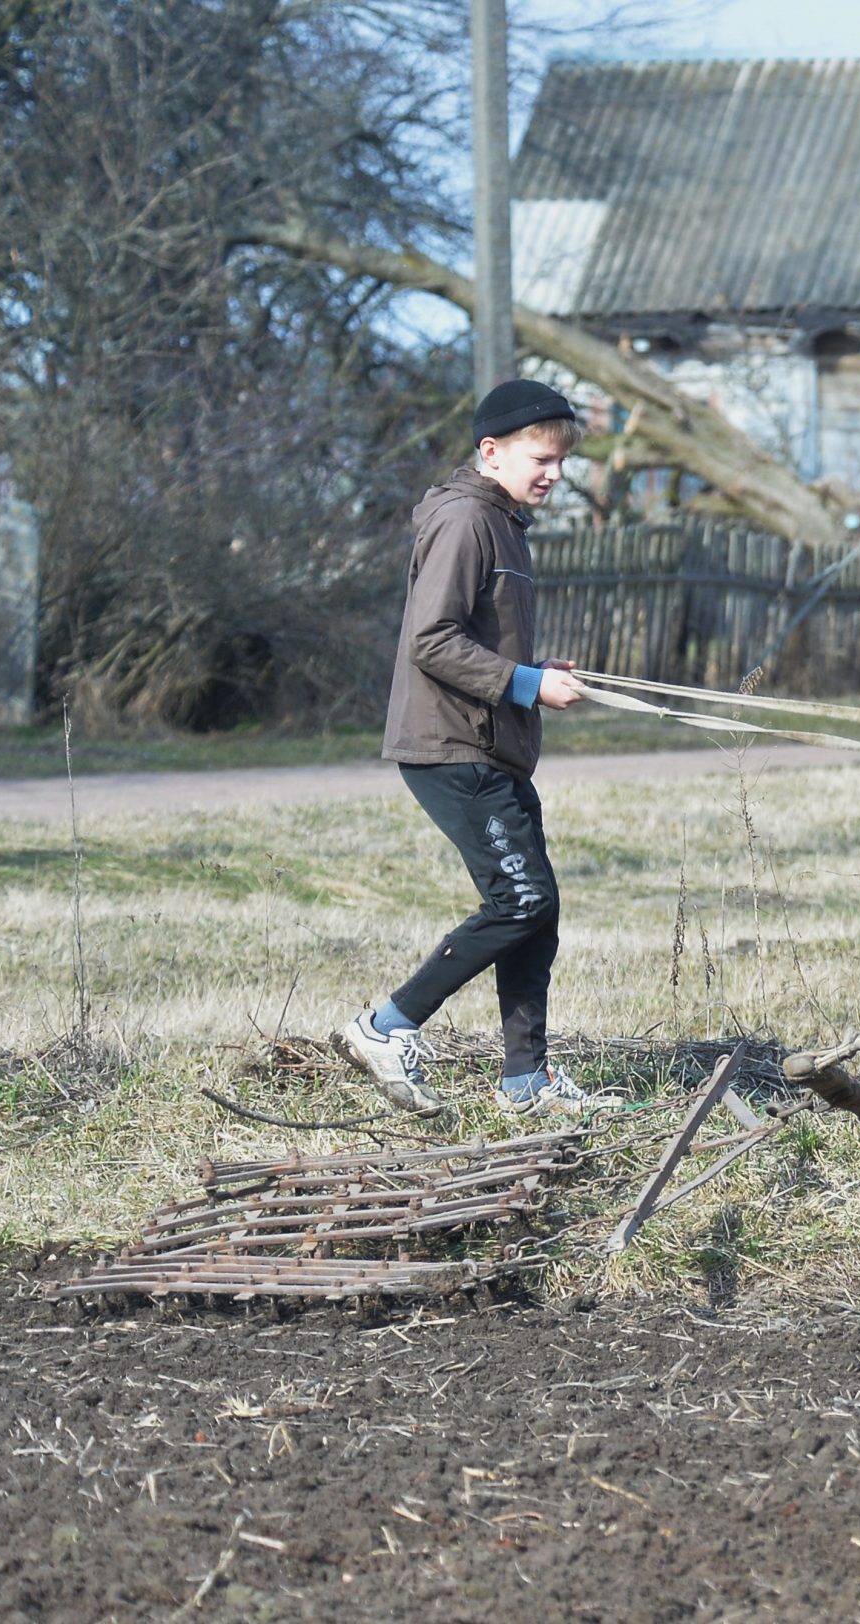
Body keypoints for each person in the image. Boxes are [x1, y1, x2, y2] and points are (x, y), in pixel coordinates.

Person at [334, 379, 606, 1116]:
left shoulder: (505, 523)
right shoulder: (463, 520)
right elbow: (431, 640)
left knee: (535, 910)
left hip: (491, 745)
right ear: (491, 451)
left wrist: (534, 673)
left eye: (559, 462)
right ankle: (384, 1028)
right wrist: (522, 683)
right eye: (540, 459)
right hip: (453, 745)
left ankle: (526, 1083)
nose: (553, 473)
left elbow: (477, 639)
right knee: (520, 898)